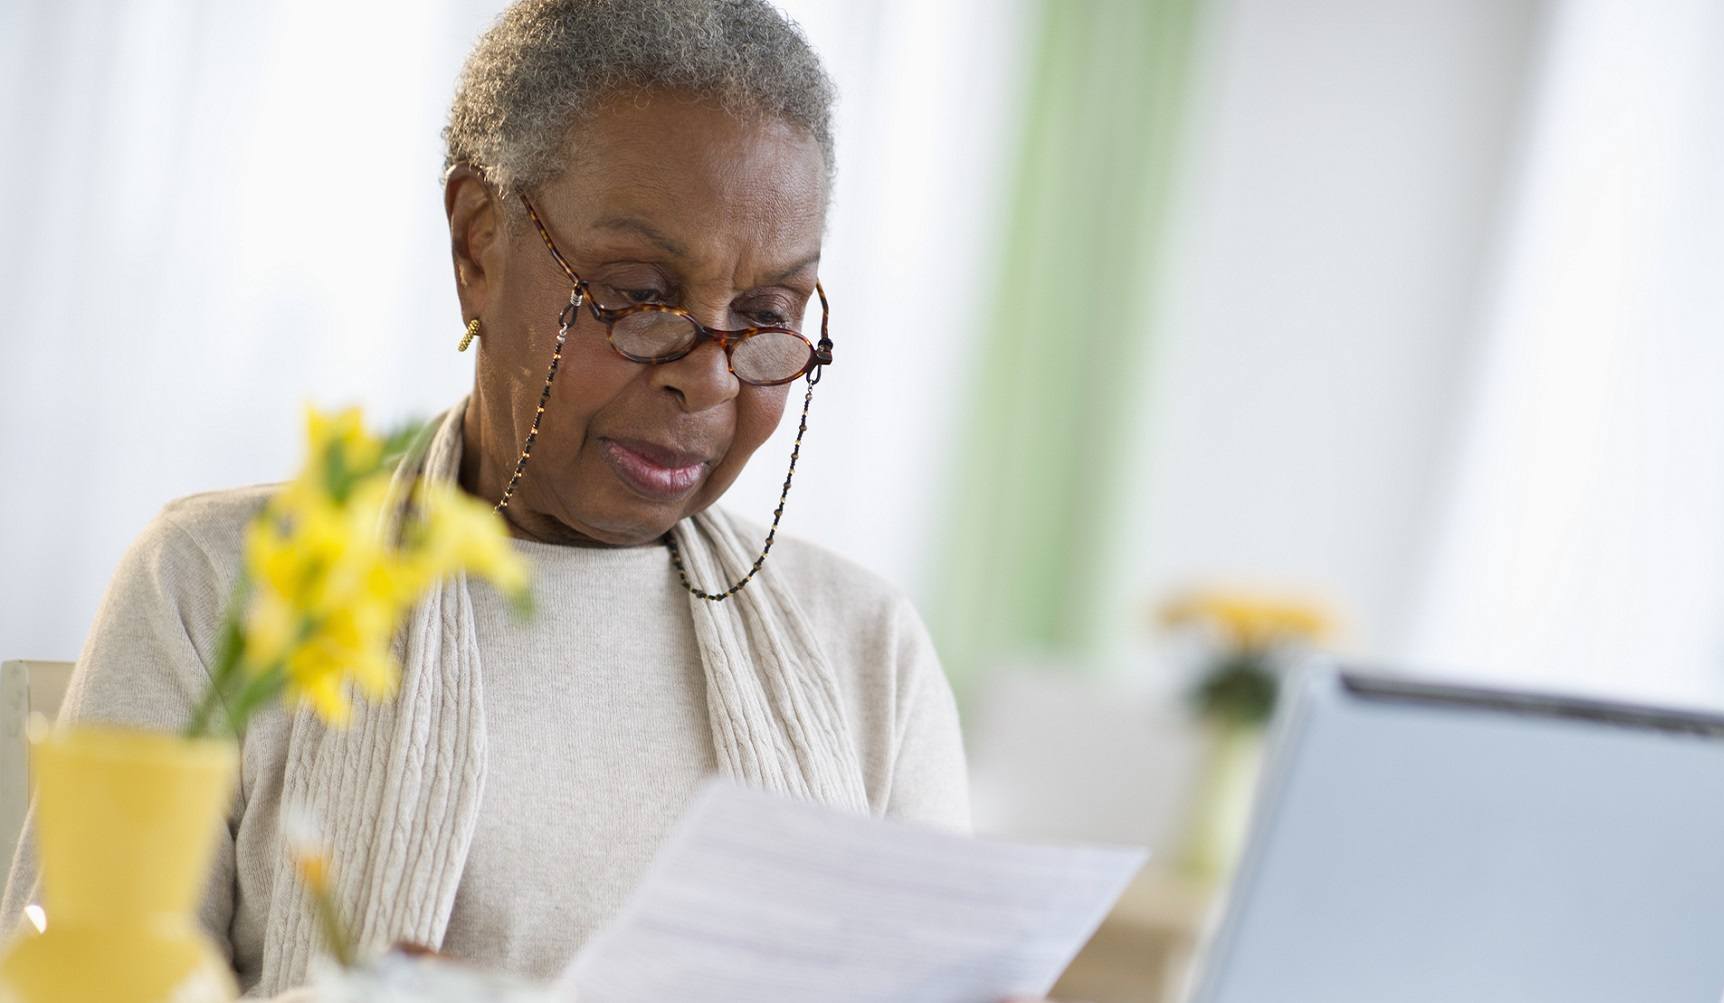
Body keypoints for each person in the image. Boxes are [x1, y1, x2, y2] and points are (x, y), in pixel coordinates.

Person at [2, 1, 992, 996]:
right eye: (641, 295)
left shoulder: (868, 650)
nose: (714, 379)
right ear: (479, 244)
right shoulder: (217, 588)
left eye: (768, 314)